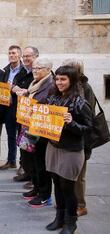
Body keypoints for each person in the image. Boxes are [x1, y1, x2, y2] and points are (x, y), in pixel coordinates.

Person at [45, 66, 92, 234]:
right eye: (57, 79)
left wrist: (71, 122)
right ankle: (59, 218)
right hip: (53, 147)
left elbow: (88, 129)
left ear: (71, 81)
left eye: (63, 79)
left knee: (68, 188)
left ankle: (71, 222)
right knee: (56, 184)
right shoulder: (54, 98)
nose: (59, 82)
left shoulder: (80, 102)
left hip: (71, 151)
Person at [16, 58, 54, 208]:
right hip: (30, 128)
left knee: (42, 164)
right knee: (33, 161)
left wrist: (33, 105)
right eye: (34, 68)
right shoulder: (34, 84)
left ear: (48, 69)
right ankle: (36, 188)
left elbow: (47, 103)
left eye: (39, 68)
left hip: (41, 132)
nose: (35, 70)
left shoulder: (50, 85)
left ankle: (44, 195)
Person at [62, 58, 96, 217]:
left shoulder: (85, 88)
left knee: (79, 175)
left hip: (81, 139)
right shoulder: (66, 88)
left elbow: (88, 119)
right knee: (66, 175)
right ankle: (67, 202)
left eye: (69, 69)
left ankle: (81, 205)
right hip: (65, 137)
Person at [0, 45, 32, 170]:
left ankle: (22, 164)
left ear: (19, 56)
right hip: (8, 108)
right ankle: (11, 160)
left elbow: (22, 88)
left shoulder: (25, 71)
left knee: (22, 136)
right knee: (11, 135)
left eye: (14, 53)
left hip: (21, 108)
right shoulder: (6, 70)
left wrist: (13, 88)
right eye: (9, 53)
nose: (11, 55)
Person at [12, 46, 38, 185]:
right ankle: (26, 172)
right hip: (21, 115)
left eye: (29, 56)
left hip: (33, 119)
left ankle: (34, 177)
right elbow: (13, 83)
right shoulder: (22, 71)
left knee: (33, 148)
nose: (26, 59)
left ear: (36, 57)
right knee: (23, 145)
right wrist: (14, 87)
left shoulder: (39, 73)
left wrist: (26, 92)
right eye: (25, 56)